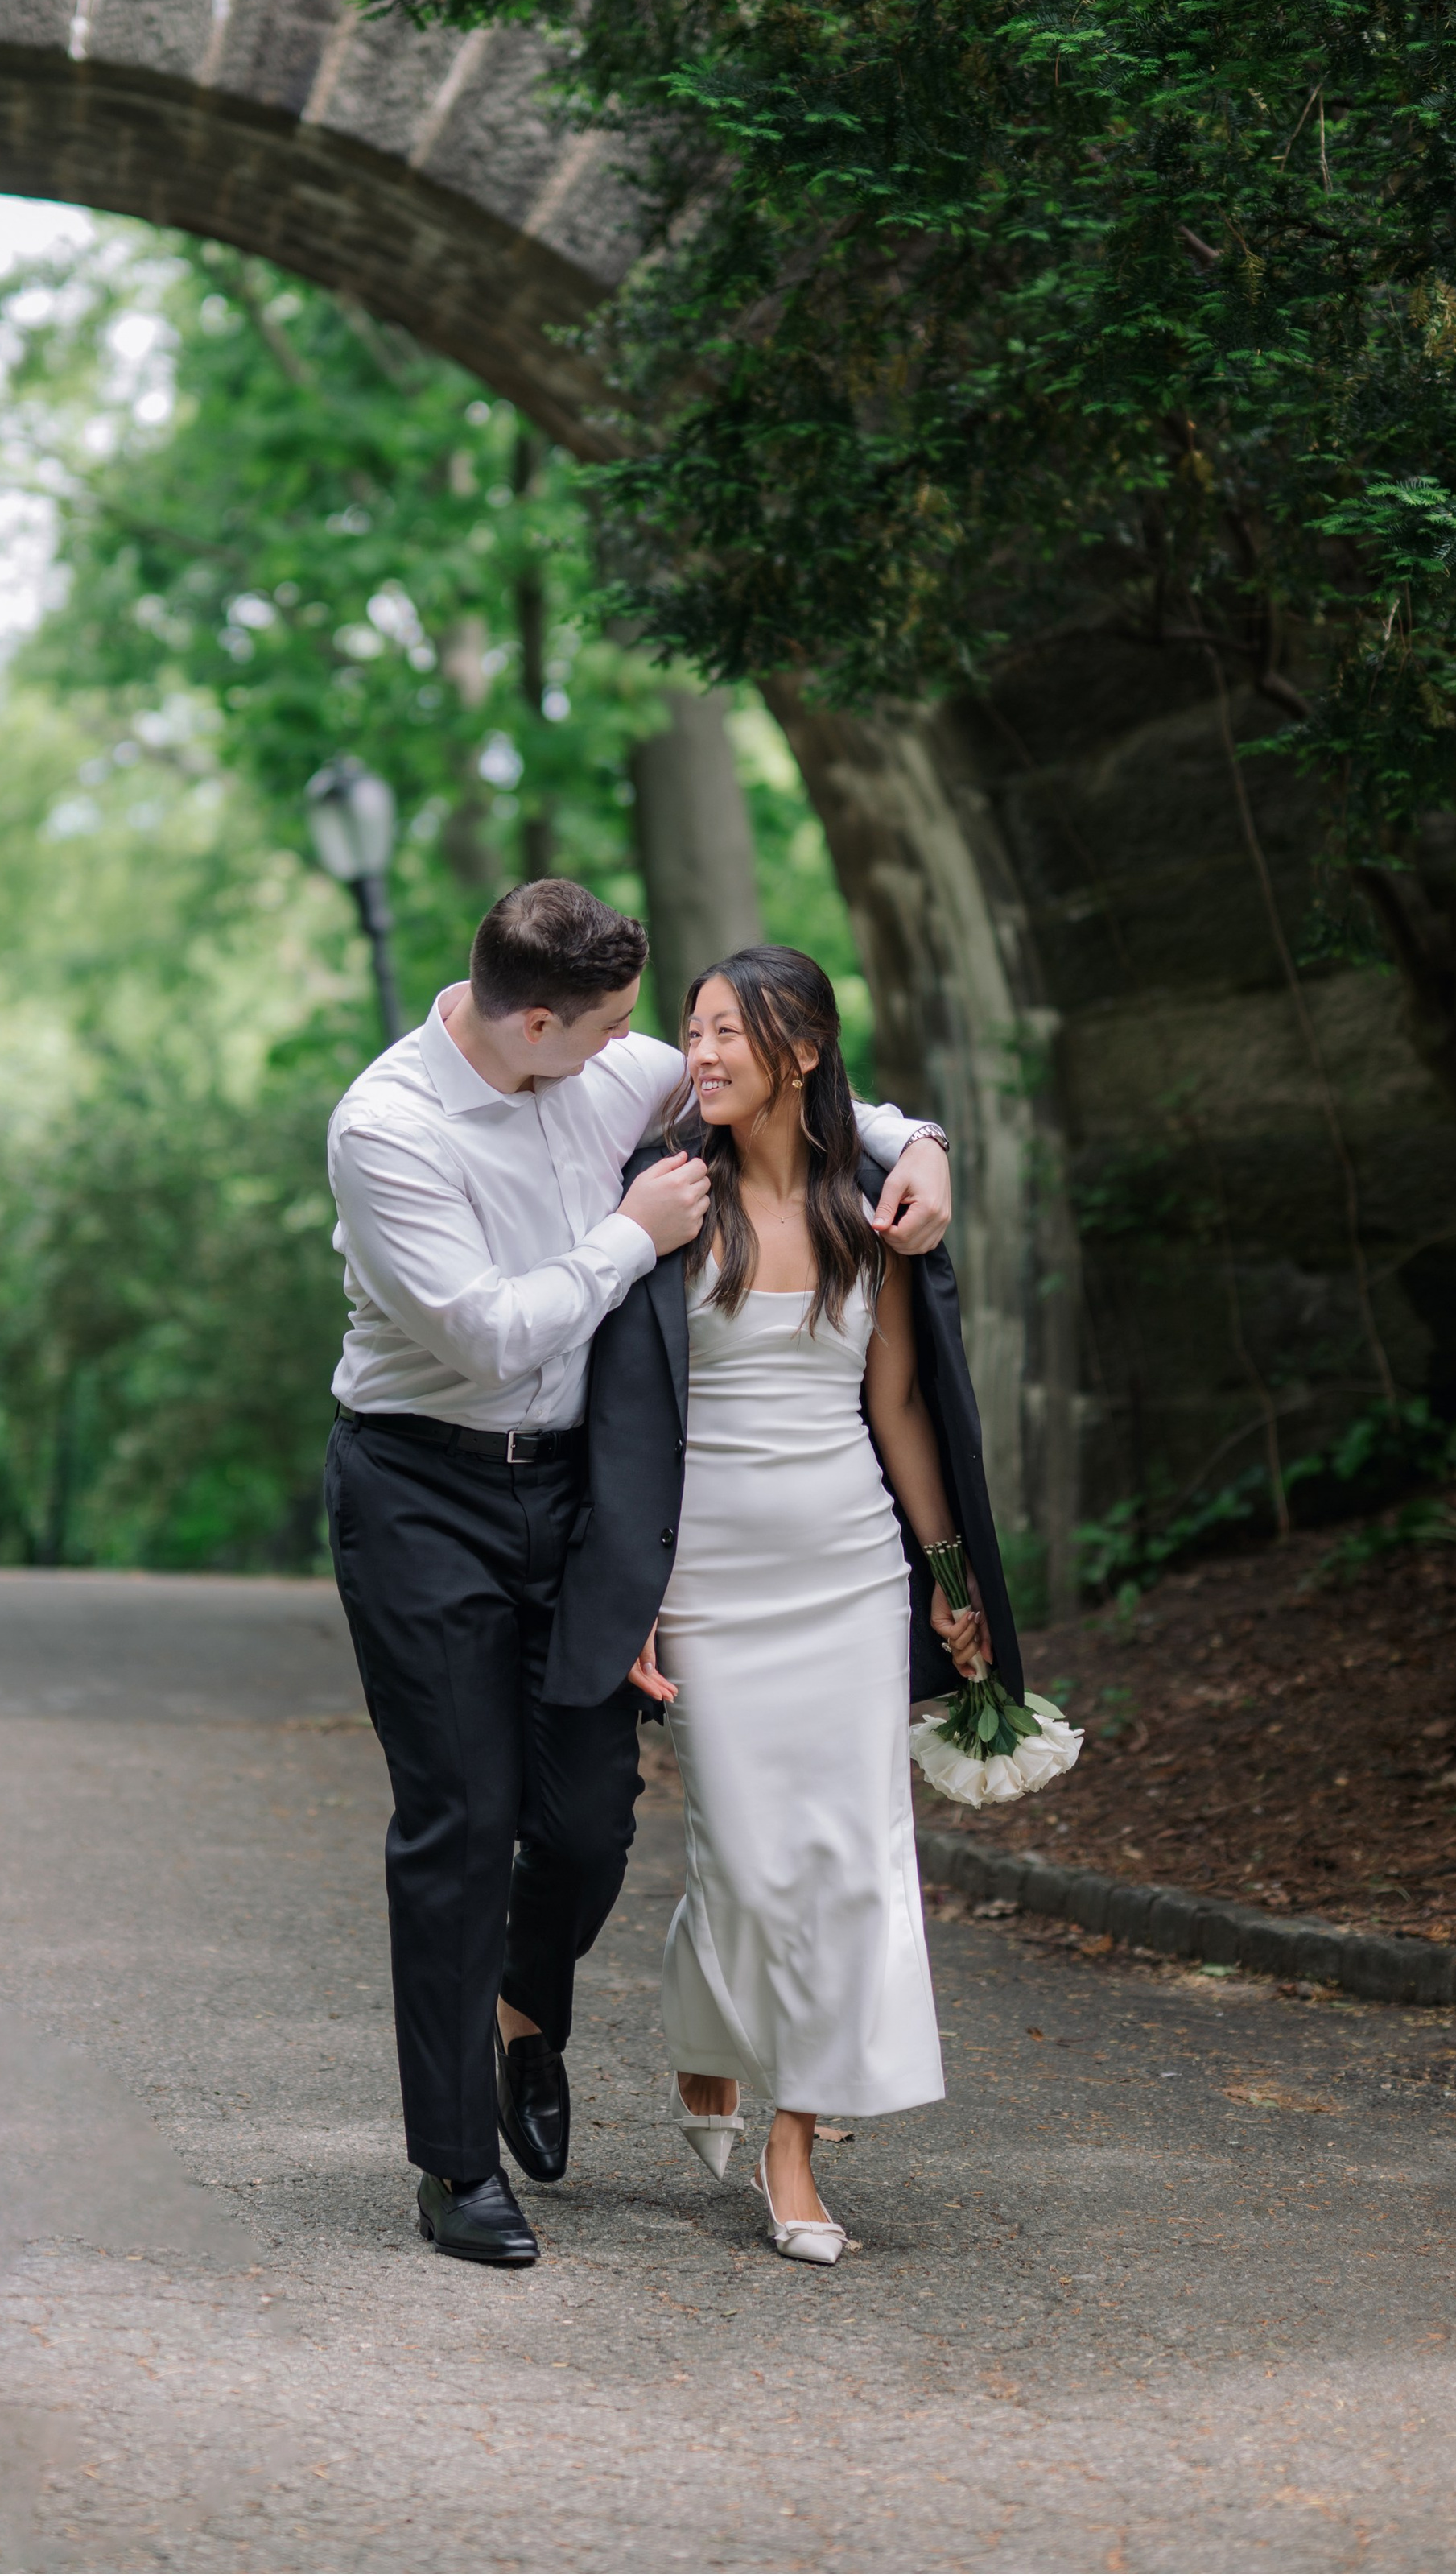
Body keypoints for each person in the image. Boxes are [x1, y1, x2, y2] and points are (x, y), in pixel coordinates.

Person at [322, 880, 953, 2268]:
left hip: (578, 1493)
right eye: (614, 1027)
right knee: (464, 1820)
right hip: (423, 1485)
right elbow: (493, 1336)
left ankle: (524, 2010)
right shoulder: (388, 1129)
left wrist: (925, 1145)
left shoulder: (608, 1064)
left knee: (590, 1822)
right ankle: (455, 2167)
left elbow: (805, 1087)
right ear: (533, 1024)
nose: (648, 1053)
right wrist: (634, 1234)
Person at [578, 947, 1021, 2265]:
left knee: (848, 1862)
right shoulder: (669, 1201)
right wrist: (631, 1593)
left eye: (731, 1033)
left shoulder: (866, 1216)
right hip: (708, 1580)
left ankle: (795, 2146)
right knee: (747, 1858)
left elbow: (899, 1408)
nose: (702, 1054)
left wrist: (951, 1584)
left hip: (848, 1572)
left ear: (804, 1051)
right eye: (694, 1032)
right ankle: (706, 2032)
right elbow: (623, 1415)